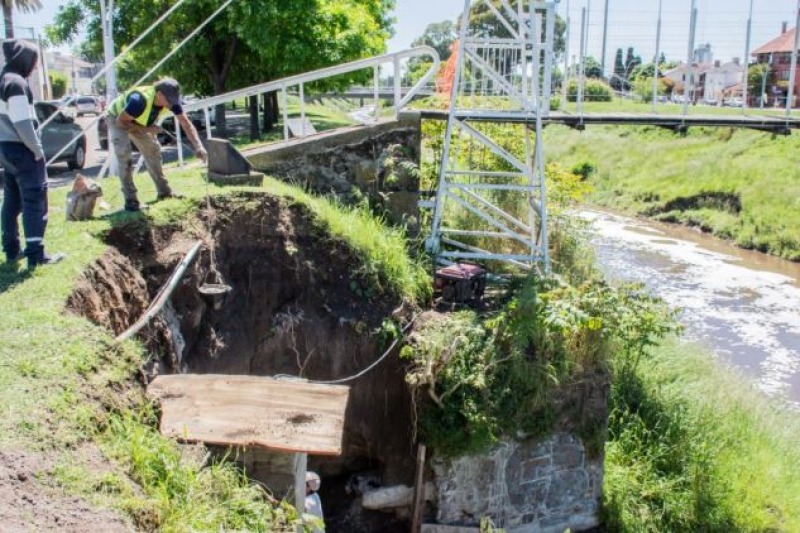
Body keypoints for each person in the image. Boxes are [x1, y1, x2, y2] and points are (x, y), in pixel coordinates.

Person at [0, 39, 64, 268]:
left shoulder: (3, 79)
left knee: (12, 200)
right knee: (34, 198)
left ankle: (11, 250)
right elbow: (22, 122)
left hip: (5, 149)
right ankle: (36, 254)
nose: (35, 66)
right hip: (21, 149)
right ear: (25, 59)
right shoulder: (15, 83)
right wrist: (37, 150)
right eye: (35, 61)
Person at [105, 78, 208, 212]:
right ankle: (131, 201)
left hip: (137, 121)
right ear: (158, 94)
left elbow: (186, 123)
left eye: (174, 100)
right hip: (117, 118)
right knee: (125, 156)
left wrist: (199, 146)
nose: (171, 105)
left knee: (153, 150)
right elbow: (121, 123)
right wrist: (148, 129)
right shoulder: (138, 101)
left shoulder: (173, 102)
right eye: (169, 100)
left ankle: (164, 192)